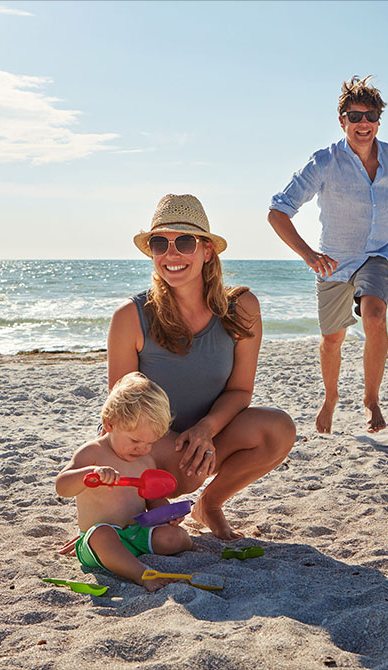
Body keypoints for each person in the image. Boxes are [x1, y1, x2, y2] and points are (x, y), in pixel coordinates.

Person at [268, 75, 388, 435]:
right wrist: (309, 255)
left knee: (374, 314)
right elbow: (278, 212)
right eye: (355, 116)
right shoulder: (324, 162)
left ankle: (371, 399)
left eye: (370, 116)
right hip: (333, 260)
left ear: (379, 120)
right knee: (332, 340)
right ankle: (330, 398)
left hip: (379, 252)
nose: (363, 123)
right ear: (342, 120)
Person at [108, 193, 296, 541]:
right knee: (184, 477)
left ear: (207, 251)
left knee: (278, 429)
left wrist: (206, 430)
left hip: (211, 437)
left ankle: (208, 505)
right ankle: (149, 502)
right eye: (160, 243)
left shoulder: (242, 308)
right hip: (149, 448)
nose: (171, 254)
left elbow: (240, 391)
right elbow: (121, 412)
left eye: (184, 242)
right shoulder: (129, 317)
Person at [56, 372, 192, 592]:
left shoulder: (145, 459)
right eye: (135, 441)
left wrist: (167, 515)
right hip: (98, 540)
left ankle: (192, 545)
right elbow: (62, 486)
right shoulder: (92, 453)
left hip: (136, 533)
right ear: (109, 425)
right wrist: (90, 473)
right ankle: (141, 573)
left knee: (173, 537)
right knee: (103, 536)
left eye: (150, 443)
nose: (143, 449)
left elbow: (153, 498)